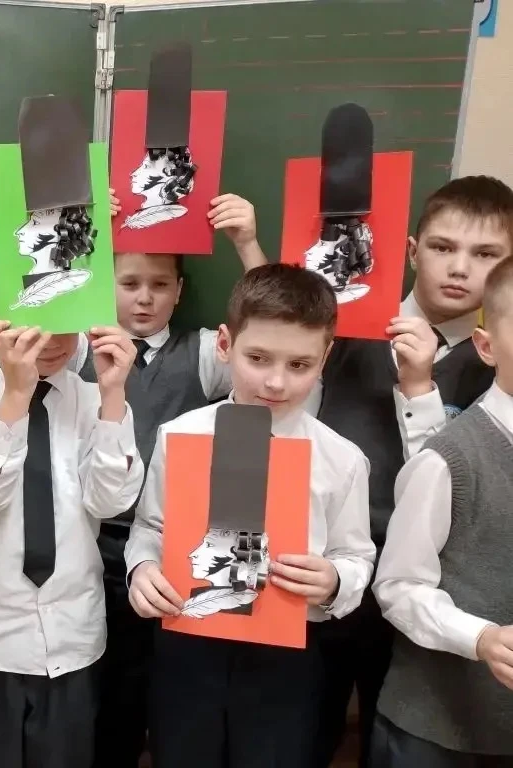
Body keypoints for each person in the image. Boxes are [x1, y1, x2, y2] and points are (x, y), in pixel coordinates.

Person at [126, 263, 377, 768]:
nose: (276, 381)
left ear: (325, 357)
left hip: (288, 655)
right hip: (189, 645)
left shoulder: (342, 459)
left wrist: (334, 579)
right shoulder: (180, 435)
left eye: (300, 365)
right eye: (258, 358)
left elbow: (356, 554)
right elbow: (151, 526)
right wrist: (142, 568)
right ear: (225, 344)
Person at [314, 175, 513, 767]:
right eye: (443, 247)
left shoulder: (497, 362)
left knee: (396, 722)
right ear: (411, 251)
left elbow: (451, 466)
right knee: (307, 724)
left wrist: (420, 385)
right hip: (328, 566)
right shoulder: (344, 323)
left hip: (432, 589)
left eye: (485, 255)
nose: (460, 268)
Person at [85, 190, 268, 768]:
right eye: (129, 282)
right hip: (91, 546)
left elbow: (272, 330)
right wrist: (88, 233)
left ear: (180, 291)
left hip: (174, 554)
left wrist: (247, 244)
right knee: (100, 693)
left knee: (164, 689)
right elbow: (33, 311)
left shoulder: (206, 352)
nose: (144, 297)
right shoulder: (78, 348)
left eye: (160, 284)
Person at [0, 314, 144, 768]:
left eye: (65, 323)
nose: (51, 341)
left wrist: (114, 394)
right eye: (36, 326)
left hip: (74, 634)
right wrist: (15, 399)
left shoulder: (96, 400)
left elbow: (109, 500)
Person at [370, 255, 513, 767]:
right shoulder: (448, 459)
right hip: (436, 730)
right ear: (486, 346)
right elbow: (398, 586)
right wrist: (481, 638)